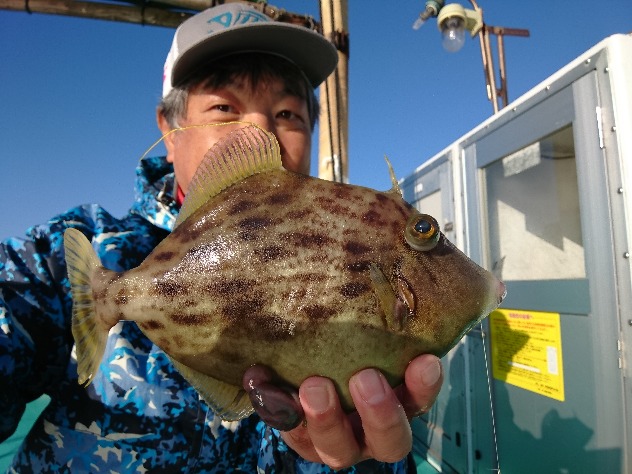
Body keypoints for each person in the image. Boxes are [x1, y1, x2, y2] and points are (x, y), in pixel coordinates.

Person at [0, 3, 443, 472]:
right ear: (169, 132)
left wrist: (362, 458)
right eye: (224, 107)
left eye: (288, 112)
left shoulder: (353, 238)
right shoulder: (60, 258)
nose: (257, 130)